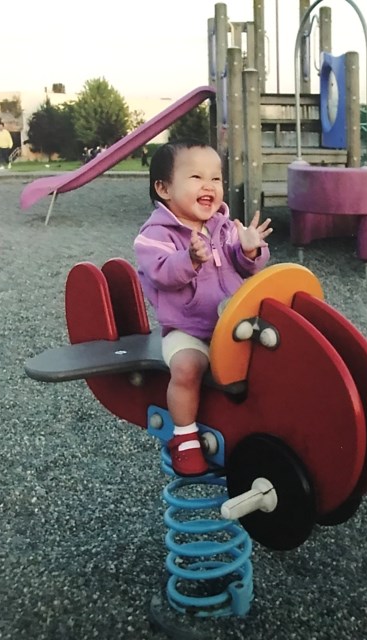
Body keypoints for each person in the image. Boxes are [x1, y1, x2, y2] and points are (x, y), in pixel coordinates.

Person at [133, 140, 273, 476]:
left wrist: (250, 251)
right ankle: (184, 438)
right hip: (188, 331)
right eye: (196, 177)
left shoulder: (223, 227)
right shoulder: (154, 235)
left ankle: (266, 425)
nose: (209, 185)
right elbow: (162, 272)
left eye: (216, 178)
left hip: (233, 325)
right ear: (164, 188)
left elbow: (242, 267)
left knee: (271, 358)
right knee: (186, 368)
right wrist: (190, 259)